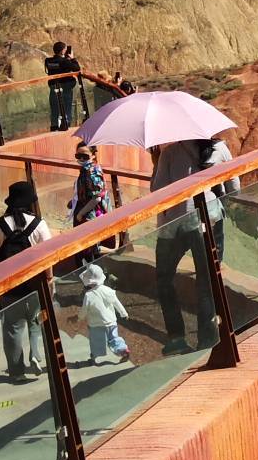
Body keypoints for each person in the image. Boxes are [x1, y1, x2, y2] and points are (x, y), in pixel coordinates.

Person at [148, 138, 226, 355]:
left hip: (175, 224)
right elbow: (234, 186)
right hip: (210, 218)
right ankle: (208, 339)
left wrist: (156, 162)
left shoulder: (170, 152)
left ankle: (177, 338)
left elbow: (158, 191)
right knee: (207, 279)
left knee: (164, 279)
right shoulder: (220, 148)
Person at [0, 181, 51, 381]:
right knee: (36, 321)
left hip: (9, 285)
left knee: (12, 328)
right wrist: (49, 278)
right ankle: (35, 355)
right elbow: (48, 256)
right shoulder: (39, 224)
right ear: (31, 202)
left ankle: (16, 371)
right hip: (34, 284)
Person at [77, 264, 129, 365]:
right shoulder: (108, 291)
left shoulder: (88, 295)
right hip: (111, 322)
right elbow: (117, 303)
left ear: (88, 281)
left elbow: (84, 310)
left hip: (96, 325)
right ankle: (123, 350)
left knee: (96, 341)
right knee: (114, 338)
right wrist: (124, 313)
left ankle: (93, 358)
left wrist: (79, 318)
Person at [44, 42, 79, 131]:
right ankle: (65, 124)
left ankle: (54, 126)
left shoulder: (48, 61)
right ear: (63, 51)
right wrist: (72, 58)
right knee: (67, 107)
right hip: (66, 88)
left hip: (53, 87)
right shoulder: (65, 61)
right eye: (65, 49)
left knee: (54, 107)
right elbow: (77, 68)